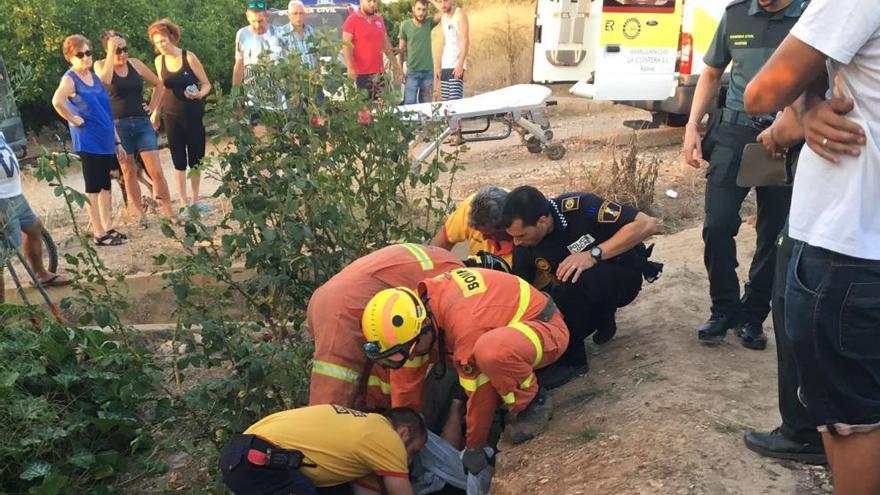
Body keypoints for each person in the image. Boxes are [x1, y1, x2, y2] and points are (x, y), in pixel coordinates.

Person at [743, 0, 880, 492]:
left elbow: (763, 91)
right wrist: (806, 105)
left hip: (849, 248)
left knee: (854, 420)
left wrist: (800, 106)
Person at [681, 0, 807, 350]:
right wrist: (692, 126)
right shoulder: (735, 14)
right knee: (717, 224)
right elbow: (710, 72)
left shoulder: (809, 13)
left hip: (786, 135)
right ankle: (724, 309)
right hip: (734, 134)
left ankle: (753, 315)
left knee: (774, 232)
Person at [361, 267, 570, 474]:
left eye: (410, 351)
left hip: (544, 327)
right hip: (512, 331)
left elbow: (481, 393)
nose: (412, 357)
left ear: (423, 327)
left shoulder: (464, 323)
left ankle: (532, 401)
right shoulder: (419, 313)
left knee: (490, 351)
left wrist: (474, 446)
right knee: (485, 351)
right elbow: (405, 387)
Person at [501, 186, 660, 389]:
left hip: (623, 276)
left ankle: (574, 362)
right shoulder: (524, 245)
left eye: (521, 235)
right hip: (582, 292)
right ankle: (603, 318)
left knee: (572, 279)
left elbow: (647, 224)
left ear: (542, 221)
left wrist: (592, 255)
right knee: (551, 303)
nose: (517, 242)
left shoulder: (582, 207)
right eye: (513, 237)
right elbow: (521, 290)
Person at [737, 107, 825, 464]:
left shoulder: (833, 56)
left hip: (823, 214)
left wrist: (780, 127)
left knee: (793, 308)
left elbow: (763, 94)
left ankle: (803, 431)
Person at [306, 243, 464, 410]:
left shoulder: (447, 272)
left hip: (336, 299)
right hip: (344, 312)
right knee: (330, 405)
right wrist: (405, 421)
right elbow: (409, 363)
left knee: (363, 385)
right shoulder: (454, 301)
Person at [219, 404, 426, 495]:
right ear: (404, 433)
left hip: (243, 456)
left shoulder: (359, 433)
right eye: (414, 451)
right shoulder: (386, 437)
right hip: (262, 460)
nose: (408, 461)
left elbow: (366, 492)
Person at [51, 34, 129, 247]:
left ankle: (107, 227)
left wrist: (117, 142)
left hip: (106, 139)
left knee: (105, 186)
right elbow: (57, 101)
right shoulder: (70, 79)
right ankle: (98, 232)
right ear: (70, 57)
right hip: (89, 141)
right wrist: (73, 118)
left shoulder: (93, 77)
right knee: (93, 187)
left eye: (88, 53)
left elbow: (105, 111)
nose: (85, 58)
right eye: (80, 54)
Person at [94, 31, 176, 224]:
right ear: (107, 51)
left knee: (155, 170)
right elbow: (104, 81)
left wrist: (153, 106)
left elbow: (159, 84)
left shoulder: (135, 64)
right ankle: (140, 214)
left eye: (124, 49)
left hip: (141, 122)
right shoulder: (100, 65)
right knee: (128, 171)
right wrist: (110, 54)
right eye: (117, 50)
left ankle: (169, 212)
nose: (122, 54)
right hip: (118, 125)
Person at [148, 19, 211, 214]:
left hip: (192, 113)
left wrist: (199, 94)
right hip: (171, 115)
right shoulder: (159, 61)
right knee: (178, 160)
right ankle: (183, 204)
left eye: (163, 41)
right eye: (157, 43)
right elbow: (160, 88)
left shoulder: (188, 57)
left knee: (196, 158)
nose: (161, 46)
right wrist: (155, 112)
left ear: (172, 38)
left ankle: (195, 201)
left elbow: (206, 84)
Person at [0, 132, 70, 286]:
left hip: (14, 193)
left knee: (34, 227)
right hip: (1, 198)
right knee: (5, 251)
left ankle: (41, 275)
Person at [430, 186, 513, 265]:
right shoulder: (469, 207)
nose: (484, 238)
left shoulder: (523, 239)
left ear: (507, 226)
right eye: (480, 233)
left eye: (491, 235)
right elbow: (440, 244)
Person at [232, 0, 287, 117]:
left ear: (267, 16)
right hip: (252, 95)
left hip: (278, 96)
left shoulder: (279, 34)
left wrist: (294, 93)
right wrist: (235, 94)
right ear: (247, 17)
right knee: (256, 130)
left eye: (260, 21)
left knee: (277, 132)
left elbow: (289, 65)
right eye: (253, 21)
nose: (257, 25)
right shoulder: (242, 34)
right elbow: (239, 64)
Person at [342, 0, 403, 101]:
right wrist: (350, 68)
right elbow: (345, 45)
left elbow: (386, 45)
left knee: (384, 110)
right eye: (369, 1)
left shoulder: (379, 20)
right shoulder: (351, 20)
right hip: (361, 76)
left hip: (379, 75)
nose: (372, 4)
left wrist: (396, 67)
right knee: (365, 112)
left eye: (374, 1)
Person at [398, 0, 435, 105]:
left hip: (428, 73)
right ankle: (412, 123)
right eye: (418, 9)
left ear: (427, 10)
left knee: (427, 107)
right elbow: (401, 50)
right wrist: (400, 71)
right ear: (413, 8)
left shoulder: (429, 23)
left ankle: (425, 122)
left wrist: (431, 1)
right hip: (412, 73)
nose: (421, 13)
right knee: (409, 106)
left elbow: (443, 11)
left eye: (424, 10)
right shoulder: (405, 25)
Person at [430, 0, 468, 101]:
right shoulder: (444, 18)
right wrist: (438, 66)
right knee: (446, 104)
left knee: (455, 103)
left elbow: (465, 41)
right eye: (440, 1)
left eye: (446, 1)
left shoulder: (460, 14)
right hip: (445, 65)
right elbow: (443, 43)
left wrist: (460, 65)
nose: (443, 4)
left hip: (456, 65)